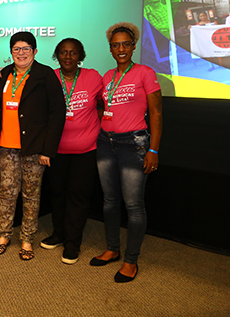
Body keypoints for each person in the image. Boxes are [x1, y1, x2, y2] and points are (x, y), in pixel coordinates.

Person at [91, 22, 162, 283]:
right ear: (110, 49)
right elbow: (102, 106)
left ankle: (131, 260)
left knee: (133, 204)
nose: (121, 49)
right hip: (106, 143)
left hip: (134, 144)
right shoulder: (108, 76)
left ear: (133, 46)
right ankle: (112, 248)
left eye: (126, 44)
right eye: (115, 45)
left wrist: (153, 148)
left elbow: (156, 113)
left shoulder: (145, 72)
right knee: (110, 201)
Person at [0, 31, 65, 260]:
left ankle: (26, 238)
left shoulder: (45, 75)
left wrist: (48, 150)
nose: (21, 53)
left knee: (31, 195)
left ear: (35, 51)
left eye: (26, 49)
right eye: (16, 49)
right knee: (6, 192)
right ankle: (4, 234)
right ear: (11, 52)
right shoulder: (4, 74)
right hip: (7, 146)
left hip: (34, 148)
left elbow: (57, 114)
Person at [39, 38, 103, 265]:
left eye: (73, 53)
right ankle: (59, 234)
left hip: (85, 149)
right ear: (57, 55)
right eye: (63, 52)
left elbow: (104, 103)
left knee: (78, 195)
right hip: (55, 150)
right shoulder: (50, 77)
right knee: (56, 192)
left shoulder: (93, 77)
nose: (68, 57)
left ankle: (72, 243)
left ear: (80, 56)